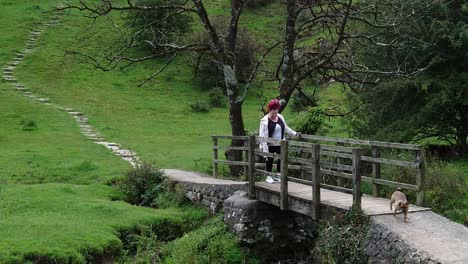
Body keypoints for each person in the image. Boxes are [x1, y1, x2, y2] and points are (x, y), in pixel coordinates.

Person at [259, 99, 300, 182]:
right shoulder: (264, 121)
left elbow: (286, 128)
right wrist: (262, 145)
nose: (274, 115)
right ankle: (268, 176)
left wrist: (294, 134)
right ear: (269, 111)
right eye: (273, 113)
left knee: (281, 159)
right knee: (269, 159)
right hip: (269, 144)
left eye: (276, 113)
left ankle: (278, 174)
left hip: (280, 143)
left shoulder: (280, 117)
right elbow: (262, 135)